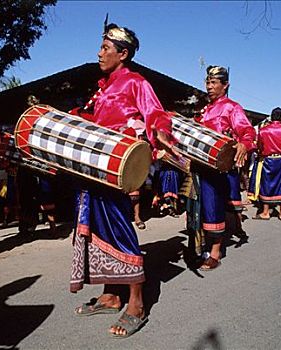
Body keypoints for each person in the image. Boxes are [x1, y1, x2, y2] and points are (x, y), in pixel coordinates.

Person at [68, 22, 177, 337]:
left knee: (117, 227)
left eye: (105, 48)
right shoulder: (102, 87)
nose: (100, 53)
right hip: (93, 168)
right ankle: (111, 294)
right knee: (98, 228)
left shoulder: (136, 82)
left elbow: (156, 115)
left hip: (119, 168)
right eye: (101, 47)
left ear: (123, 53)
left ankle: (136, 303)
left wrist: (161, 136)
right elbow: (89, 118)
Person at [193, 65, 256, 270]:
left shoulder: (232, 107)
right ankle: (199, 246)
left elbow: (246, 130)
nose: (209, 87)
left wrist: (244, 144)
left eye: (214, 83)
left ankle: (216, 251)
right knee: (198, 208)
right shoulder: (205, 110)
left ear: (225, 85)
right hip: (201, 166)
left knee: (214, 207)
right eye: (207, 83)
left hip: (219, 168)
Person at [251, 107, 281, 220]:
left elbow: (259, 146)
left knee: (267, 184)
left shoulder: (264, 130)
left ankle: (265, 212)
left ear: (271, 116)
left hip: (268, 159)